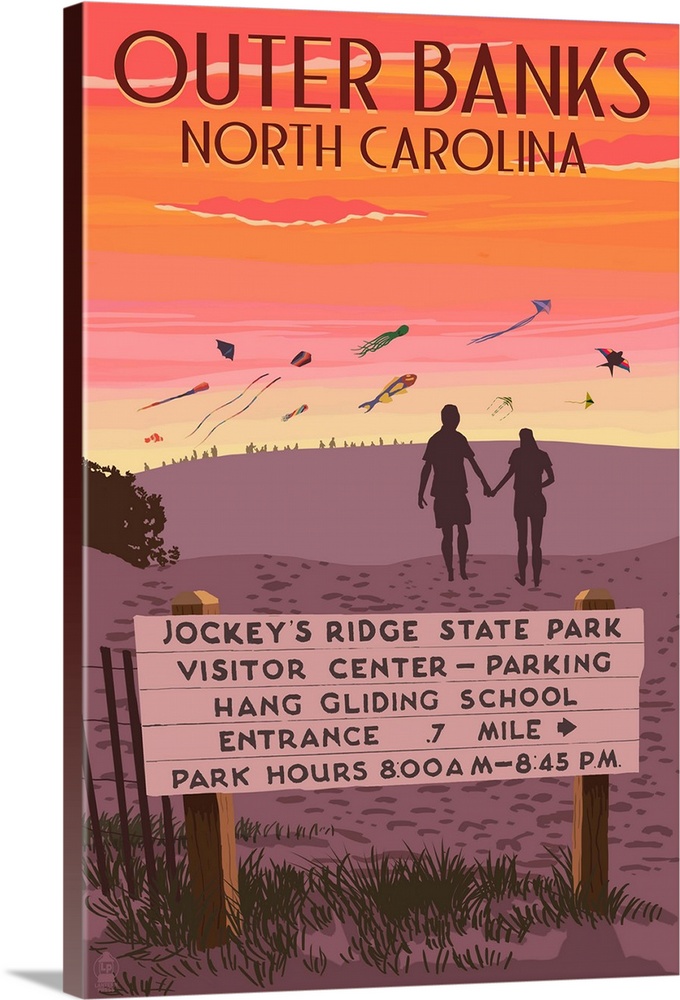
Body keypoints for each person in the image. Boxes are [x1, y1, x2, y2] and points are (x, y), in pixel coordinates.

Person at [418, 404, 491, 581]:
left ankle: (456, 570)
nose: (457, 420)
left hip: (449, 493)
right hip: (452, 492)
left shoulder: (440, 439)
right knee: (455, 531)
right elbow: (427, 468)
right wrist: (484, 483)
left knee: (453, 532)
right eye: (455, 417)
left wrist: (421, 492)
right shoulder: (452, 439)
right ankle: (456, 570)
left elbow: (471, 463)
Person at [490, 428, 555, 587]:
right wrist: (538, 486)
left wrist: (495, 490)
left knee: (522, 542)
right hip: (536, 499)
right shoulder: (541, 455)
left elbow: (509, 475)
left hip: (521, 500)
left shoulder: (517, 454)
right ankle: (537, 580)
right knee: (536, 543)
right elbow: (551, 478)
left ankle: (524, 578)